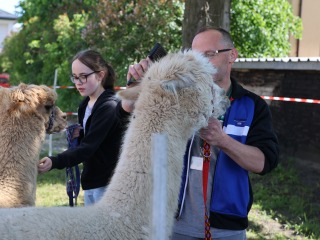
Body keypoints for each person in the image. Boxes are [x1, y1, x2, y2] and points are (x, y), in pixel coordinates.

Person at [126, 26, 279, 239]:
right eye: (196, 56)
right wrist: (139, 85)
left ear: (232, 55)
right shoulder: (175, 96)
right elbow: (126, 118)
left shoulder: (252, 105)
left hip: (226, 230)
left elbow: (264, 163)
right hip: (174, 224)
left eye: (210, 54)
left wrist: (223, 140)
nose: (202, 63)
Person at [38, 49, 131, 206]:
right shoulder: (85, 105)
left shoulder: (109, 106)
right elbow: (83, 144)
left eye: (83, 77)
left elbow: (87, 148)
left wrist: (55, 161)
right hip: (91, 183)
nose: (78, 83)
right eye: (75, 77)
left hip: (108, 185)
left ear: (100, 75)